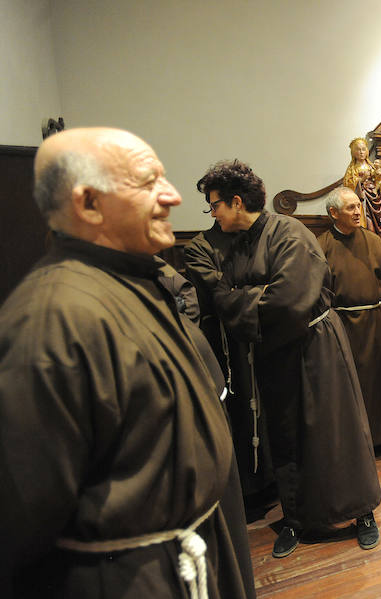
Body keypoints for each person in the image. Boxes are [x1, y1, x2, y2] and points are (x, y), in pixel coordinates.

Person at [0, 128, 255, 598]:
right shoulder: (52, 320)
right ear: (89, 203)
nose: (173, 196)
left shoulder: (136, 279)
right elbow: (23, 521)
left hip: (187, 555)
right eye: (148, 181)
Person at [192, 160, 381, 558]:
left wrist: (243, 296)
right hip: (274, 352)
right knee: (286, 434)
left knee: (336, 431)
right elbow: (224, 292)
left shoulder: (289, 233)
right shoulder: (241, 243)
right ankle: (296, 518)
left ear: (237, 201)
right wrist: (248, 295)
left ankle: (360, 512)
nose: (213, 215)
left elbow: (287, 300)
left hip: (316, 347)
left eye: (215, 206)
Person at [184, 220, 278, 518]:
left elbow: (273, 280)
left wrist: (249, 288)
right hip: (225, 344)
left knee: (266, 409)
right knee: (238, 412)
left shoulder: (252, 238)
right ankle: (248, 491)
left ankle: (272, 480)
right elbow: (219, 289)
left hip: (258, 333)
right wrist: (254, 288)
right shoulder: (198, 246)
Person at [317, 187, 381, 458]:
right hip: (342, 323)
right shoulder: (321, 245)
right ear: (333, 213)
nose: (358, 212)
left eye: (358, 206)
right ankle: (352, 443)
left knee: (379, 381)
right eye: (351, 208)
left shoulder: (374, 240)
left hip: (374, 319)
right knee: (347, 384)